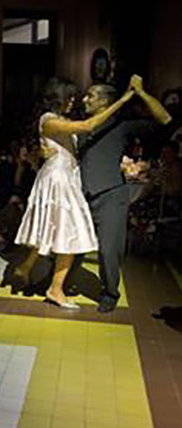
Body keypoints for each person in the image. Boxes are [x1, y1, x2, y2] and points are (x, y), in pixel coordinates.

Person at [12, 77, 135, 309]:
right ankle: (53, 288)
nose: (74, 101)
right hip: (58, 180)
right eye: (69, 97)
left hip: (66, 178)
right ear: (58, 97)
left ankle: (29, 270)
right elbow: (87, 127)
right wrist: (124, 99)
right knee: (69, 233)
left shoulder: (60, 120)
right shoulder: (48, 120)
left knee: (55, 230)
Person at [77, 75, 173, 312]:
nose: (84, 99)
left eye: (90, 95)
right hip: (81, 195)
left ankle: (110, 292)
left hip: (110, 194)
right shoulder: (81, 126)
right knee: (72, 242)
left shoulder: (122, 125)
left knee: (109, 249)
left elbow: (164, 120)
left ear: (106, 101)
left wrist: (140, 93)